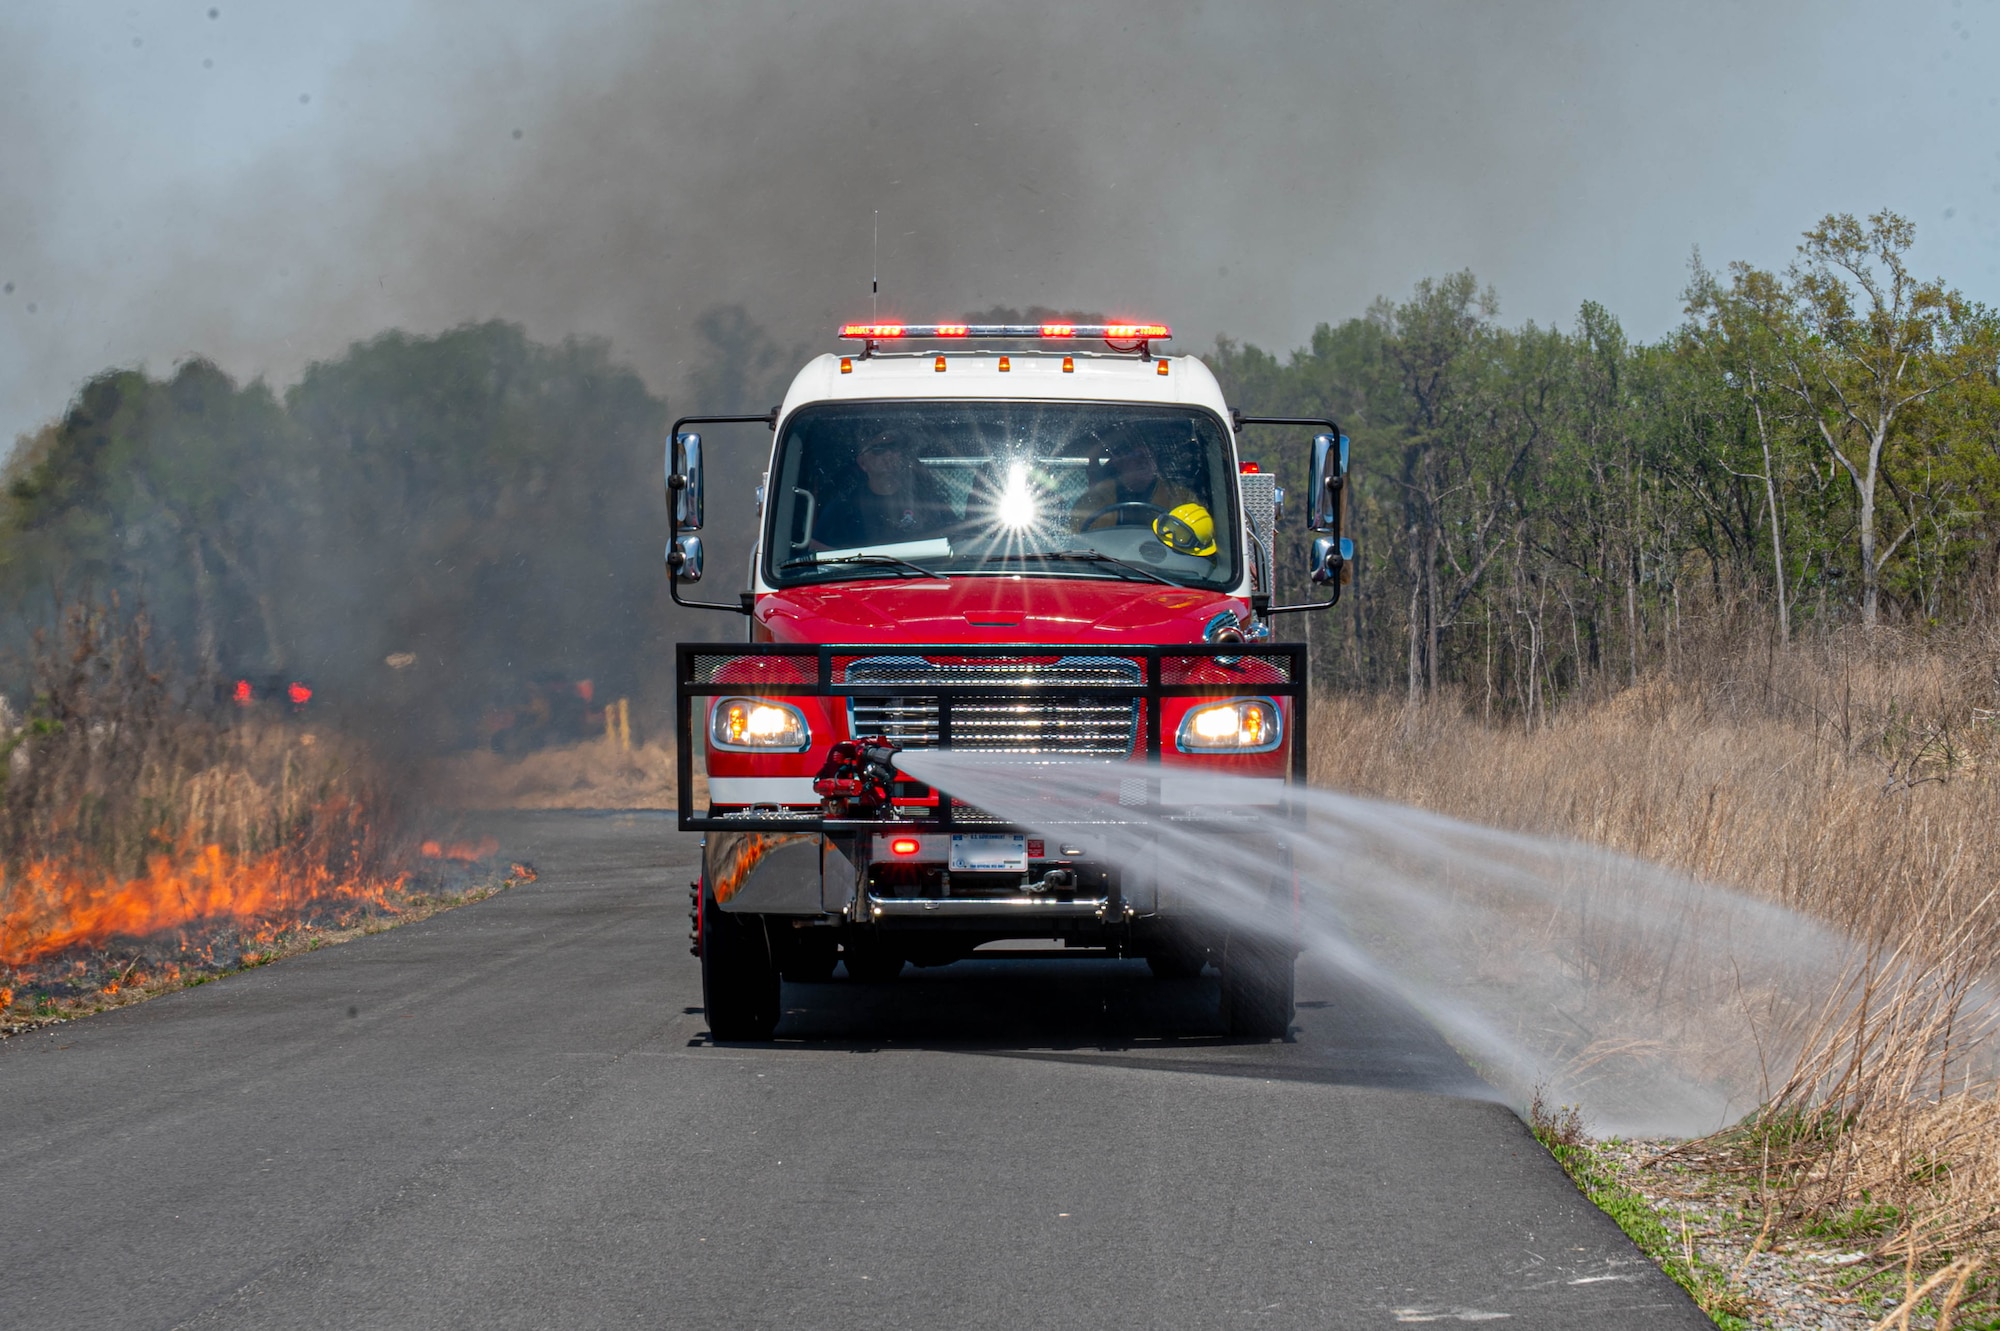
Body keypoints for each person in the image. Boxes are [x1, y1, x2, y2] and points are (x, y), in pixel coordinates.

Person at [813, 429, 950, 549]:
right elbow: (817, 547)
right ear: (862, 463)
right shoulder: (843, 508)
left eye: (894, 447)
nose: (889, 455)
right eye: (879, 450)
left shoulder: (926, 501)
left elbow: (955, 539)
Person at [1069, 429, 1196, 532]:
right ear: (1118, 462)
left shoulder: (1181, 498)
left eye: (1149, 455)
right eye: (1135, 456)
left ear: (1156, 461)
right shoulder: (1092, 501)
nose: (1144, 462)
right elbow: (1078, 547)